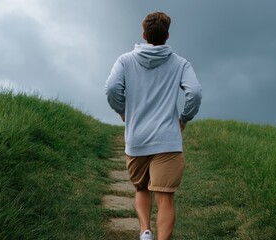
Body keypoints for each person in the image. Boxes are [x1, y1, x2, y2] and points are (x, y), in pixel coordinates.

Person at [105, 11, 202, 240]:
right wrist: (184, 118)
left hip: (137, 139)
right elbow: (195, 93)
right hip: (168, 140)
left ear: (144, 35)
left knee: (141, 189)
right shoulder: (180, 63)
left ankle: (145, 231)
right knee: (165, 198)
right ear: (167, 35)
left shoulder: (125, 60)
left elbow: (111, 88)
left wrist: (122, 111)